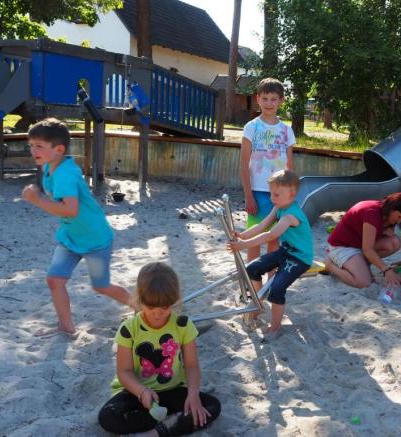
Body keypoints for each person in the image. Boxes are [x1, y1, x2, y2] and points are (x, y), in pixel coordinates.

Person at [21, 118, 132, 337]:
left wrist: (37, 200)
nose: (33, 149)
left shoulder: (65, 173)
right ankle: (66, 326)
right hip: (70, 238)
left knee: (101, 286)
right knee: (54, 280)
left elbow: (70, 210)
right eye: (31, 145)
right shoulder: (49, 166)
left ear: (59, 149)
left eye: (39, 145)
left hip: (95, 240)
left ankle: (144, 309)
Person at [98, 262, 221, 436]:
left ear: (174, 301)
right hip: (137, 393)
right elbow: (124, 372)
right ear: (140, 300)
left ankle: (157, 432)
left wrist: (193, 395)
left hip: (173, 390)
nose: (158, 314)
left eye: (164, 307)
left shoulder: (183, 325)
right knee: (108, 417)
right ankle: (172, 422)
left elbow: (192, 366)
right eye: (150, 307)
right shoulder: (129, 328)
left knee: (212, 406)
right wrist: (142, 392)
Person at [228, 170, 313, 336]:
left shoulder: (291, 215)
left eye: (276, 195)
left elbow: (271, 235)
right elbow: (262, 225)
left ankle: (275, 326)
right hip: (286, 251)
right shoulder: (278, 207)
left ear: (291, 194)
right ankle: (258, 303)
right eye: (271, 194)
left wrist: (244, 245)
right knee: (251, 268)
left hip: (300, 258)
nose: (272, 198)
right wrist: (242, 235)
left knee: (277, 288)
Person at [239, 78, 295, 264]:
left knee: (274, 239)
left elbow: (290, 166)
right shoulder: (251, 127)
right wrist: (248, 195)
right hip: (257, 192)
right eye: (265, 98)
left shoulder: (287, 130)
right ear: (258, 99)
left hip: (279, 194)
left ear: (281, 100)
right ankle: (253, 285)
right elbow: (244, 163)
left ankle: (270, 283)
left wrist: (289, 195)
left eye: (273, 99)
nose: (269, 103)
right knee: (253, 240)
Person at [323, 192, 401, 289]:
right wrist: (386, 270)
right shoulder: (372, 213)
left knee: (395, 242)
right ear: (391, 208)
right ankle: (330, 265)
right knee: (363, 283)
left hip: (358, 244)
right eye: (399, 216)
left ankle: (363, 266)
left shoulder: (386, 213)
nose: (399, 221)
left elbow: (387, 234)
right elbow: (367, 249)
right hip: (342, 247)